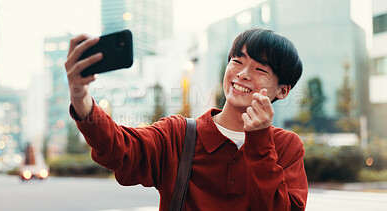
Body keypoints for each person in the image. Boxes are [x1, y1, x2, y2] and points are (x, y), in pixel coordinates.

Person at [65, 28, 308, 210]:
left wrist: (259, 143)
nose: (243, 74)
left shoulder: (286, 146)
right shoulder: (178, 134)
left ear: (283, 90)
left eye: (260, 69)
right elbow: (120, 148)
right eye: (237, 61)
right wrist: (81, 96)